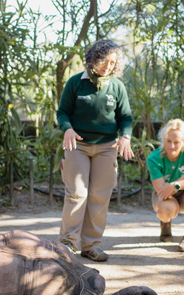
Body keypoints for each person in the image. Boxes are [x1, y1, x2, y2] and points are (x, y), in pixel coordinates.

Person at [57, 39, 134, 262]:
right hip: (77, 145)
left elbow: (125, 117)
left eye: (113, 63)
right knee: (77, 194)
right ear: (93, 58)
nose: (108, 66)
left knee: (100, 196)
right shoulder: (75, 83)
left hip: (106, 148)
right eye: (104, 61)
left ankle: (91, 246)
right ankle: (67, 244)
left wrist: (126, 136)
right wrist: (67, 129)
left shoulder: (117, 86)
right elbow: (62, 112)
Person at [147, 119, 184, 252]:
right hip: (165, 197)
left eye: (176, 142)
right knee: (167, 208)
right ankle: (165, 222)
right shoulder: (154, 158)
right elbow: (162, 192)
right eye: (169, 141)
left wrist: (175, 185)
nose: (172, 146)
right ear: (163, 140)